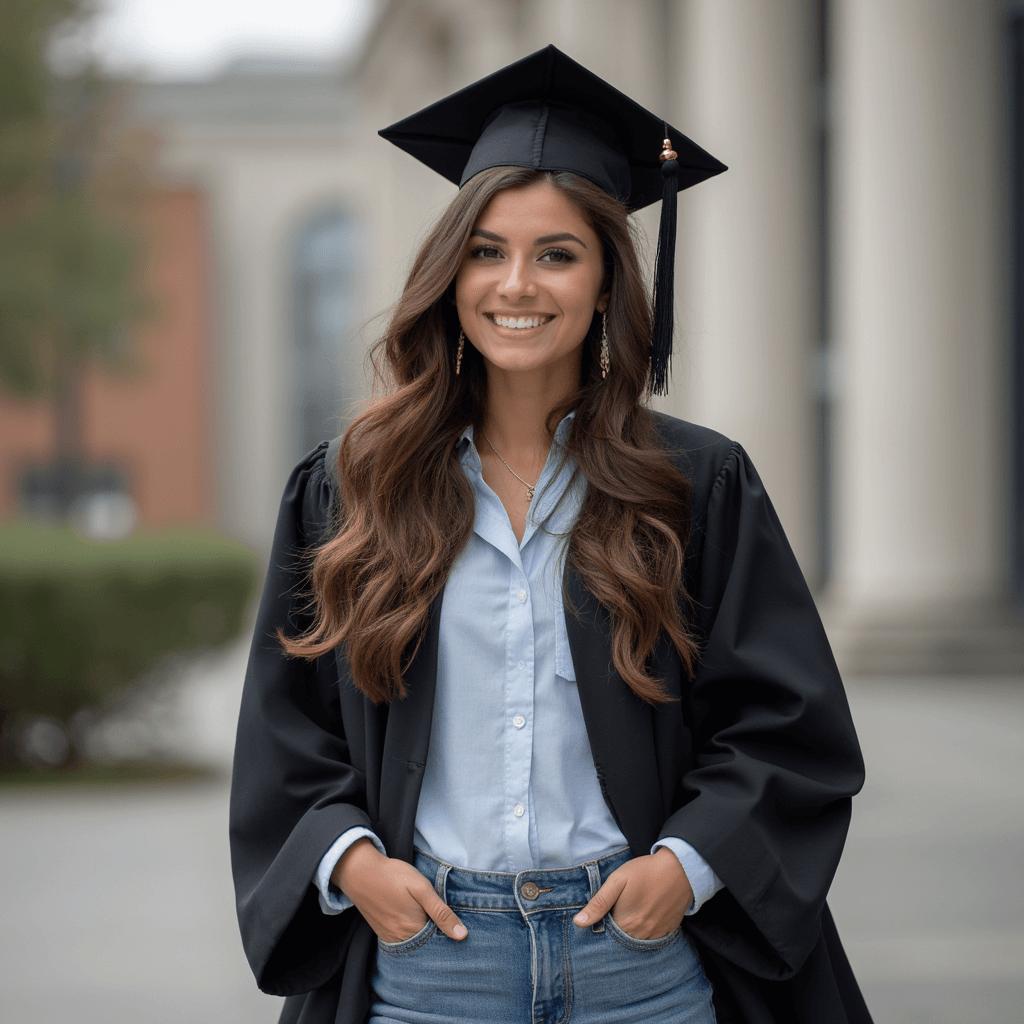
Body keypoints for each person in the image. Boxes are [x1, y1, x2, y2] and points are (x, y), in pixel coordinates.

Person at [230, 45, 874, 1024]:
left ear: (606, 280)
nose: (516, 284)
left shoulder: (694, 484)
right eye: (485, 251)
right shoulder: (354, 486)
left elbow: (786, 723)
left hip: (639, 959)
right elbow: (288, 725)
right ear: (449, 275)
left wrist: (687, 865)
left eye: (556, 253)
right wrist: (353, 864)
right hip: (430, 961)